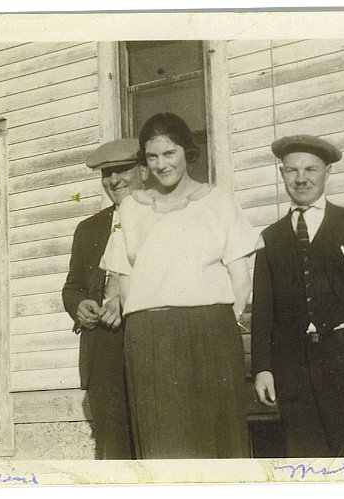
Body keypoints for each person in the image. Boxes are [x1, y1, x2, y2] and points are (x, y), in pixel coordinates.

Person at [100, 112, 261, 459]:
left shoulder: (217, 201)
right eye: (153, 156)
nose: (161, 164)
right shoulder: (131, 208)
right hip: (150, 337)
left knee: (217, 438)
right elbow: (123, 279)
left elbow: (240, 276)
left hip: (210, 333)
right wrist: (143, 326)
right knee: (165, 442)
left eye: (169, 153)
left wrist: (220, 322)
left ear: (186, 151)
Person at [251, 135, 344, 457]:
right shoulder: (271, 237)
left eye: (310, 169)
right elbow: (263, 308)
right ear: (282, 174)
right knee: (306, 463)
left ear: (327, 172)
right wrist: (262, 367)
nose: (300, 178)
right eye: (291, 170)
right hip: (292, 368)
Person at [62, 138, 143, 460]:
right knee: (112, 447)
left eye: (123, 170)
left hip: (146, 341)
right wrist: (78, 305)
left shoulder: (164, 220)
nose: (114, 180)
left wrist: (127, 299)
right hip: (103, 352)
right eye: (107, 173)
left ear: (145, 171)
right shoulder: (89, 229)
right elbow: (73, 285)